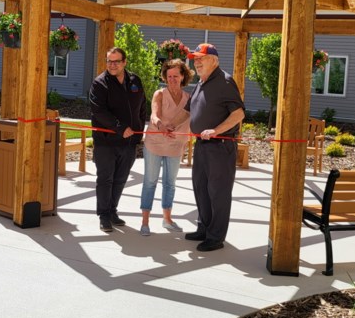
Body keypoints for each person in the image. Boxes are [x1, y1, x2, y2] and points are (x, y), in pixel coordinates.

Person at [183, 44, 245, 251]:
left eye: (201, 58)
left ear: (214, 61)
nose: (196, 62)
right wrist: (172, 127)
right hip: (202, 145)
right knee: (200, 188)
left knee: (218, 193)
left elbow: (238, 115)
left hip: (220, 146)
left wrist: (216, 130)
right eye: (195, 58)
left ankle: (216, 237)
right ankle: (204, 228)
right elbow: (189, 112)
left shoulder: (225, 82)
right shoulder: (201, 82)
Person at [90, 47, 147, 232]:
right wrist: (121, 128)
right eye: (109, 61)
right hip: (106, 142)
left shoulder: (135, 81)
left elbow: (142, 106)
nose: (112, 65)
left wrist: (139, 129)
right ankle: (104, 216)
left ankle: (112, 211)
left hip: (129, 142)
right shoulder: (100, 83)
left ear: (124, 62)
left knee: (120, 179)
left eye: (116, 61)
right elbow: (99, 112)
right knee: (105, 179)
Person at [139, 59, 194, 236]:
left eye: (175, 76)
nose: (172, 79)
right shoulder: (159, 94)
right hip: (155, 143)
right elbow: (154, 114)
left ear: (183, 76)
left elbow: (189, 118)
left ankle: (167, 219)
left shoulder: (189, 99)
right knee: (150, 182)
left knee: (170, 184)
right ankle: (145, 222)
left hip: (175, 145)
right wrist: (161, 124)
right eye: (169, 76)